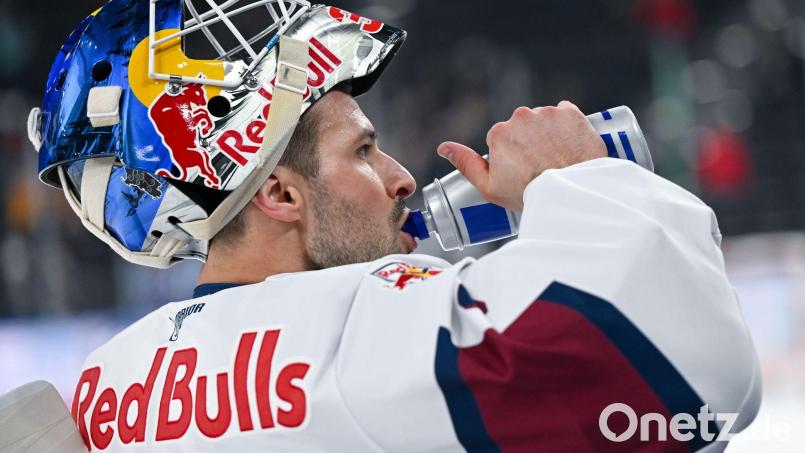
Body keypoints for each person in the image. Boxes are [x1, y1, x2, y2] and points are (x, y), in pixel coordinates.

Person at [29, 0, 760, 451]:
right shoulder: (356, 321)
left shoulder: (106, 381)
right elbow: (684, 388)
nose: (403, 177)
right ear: (279, 193)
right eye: (364, 151)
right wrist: (575, 178)